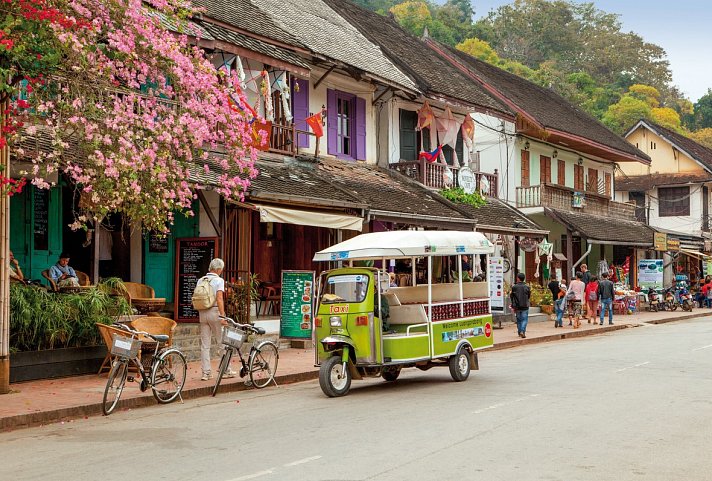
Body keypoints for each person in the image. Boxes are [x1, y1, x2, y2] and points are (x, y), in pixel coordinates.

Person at [197, 258, 234, 381]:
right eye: (221, 269)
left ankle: (206, 373)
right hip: (214, 312)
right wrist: (223, 316)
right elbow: (219, 298)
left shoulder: (201, 280)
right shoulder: (219, 280)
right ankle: (226, 370)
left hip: (202, 313)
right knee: (222, 342)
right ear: (218, 269)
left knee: (205, 345)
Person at [510, 272, 531, 338]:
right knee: (524, 319)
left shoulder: (514, 287)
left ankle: (520, 332)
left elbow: (512, 296)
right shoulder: (527, 287)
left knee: (519, 320)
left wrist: (513, 304)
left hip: (517, 306)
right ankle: (522, 331)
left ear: (518, 278)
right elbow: (529, 296)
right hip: (525, 305)